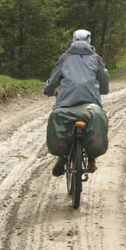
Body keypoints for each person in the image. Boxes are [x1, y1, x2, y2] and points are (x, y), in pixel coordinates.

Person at [44, 29, 110, 176]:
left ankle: (62, 156)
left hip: (65, 104)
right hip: (90, 105)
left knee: (61, 123)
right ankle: (91, 158)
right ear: (89, 41)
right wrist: (103, 90)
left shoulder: (64, 58)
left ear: (73, 40)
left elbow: (53, 80)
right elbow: (104, 81)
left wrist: (48, 90)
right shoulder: (96, 59)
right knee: (95, 123)